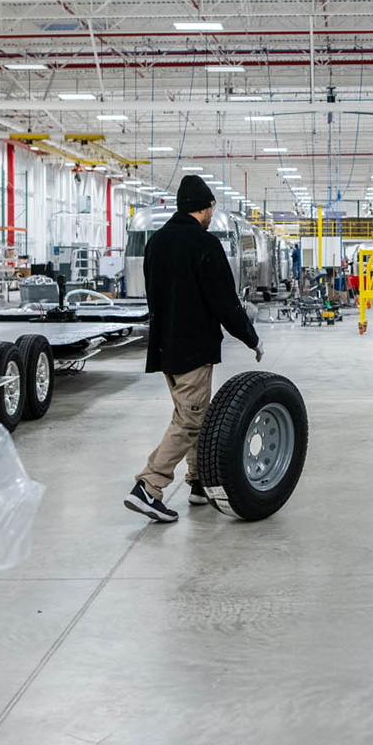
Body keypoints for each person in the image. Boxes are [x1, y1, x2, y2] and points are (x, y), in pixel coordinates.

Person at [124, 176, 262, 524]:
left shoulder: (155, 243)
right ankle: (149, 486)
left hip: (164, 347)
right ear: (203, 208)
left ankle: (199, 482)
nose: (212, 215)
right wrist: (251, 337)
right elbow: (225, 303)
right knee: (189, 419)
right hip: (193, 349)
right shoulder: (204, 245)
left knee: (193, 415)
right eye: (211, 208)